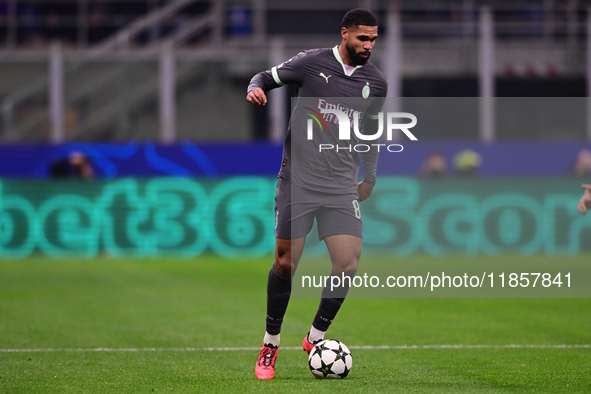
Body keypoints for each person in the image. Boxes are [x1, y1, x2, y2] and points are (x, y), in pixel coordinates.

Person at [246, 8, 387, 380]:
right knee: (285, 263)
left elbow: (371, 131)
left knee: (348, 263)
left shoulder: (376, 82)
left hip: (341, 185)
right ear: (345, 34)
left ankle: (315, 337)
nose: (369, 45)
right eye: (363, 38)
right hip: (299, 180)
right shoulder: (311, 63)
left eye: (374, 39)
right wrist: (254, 88)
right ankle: (270, 344)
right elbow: (265, 76)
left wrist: (369, 176)